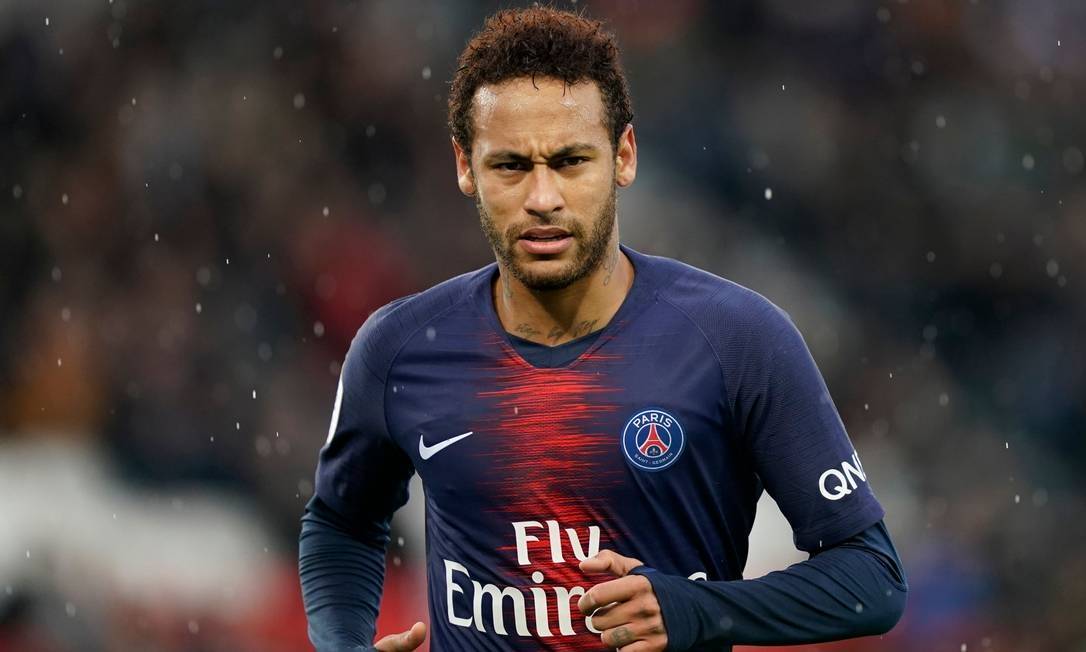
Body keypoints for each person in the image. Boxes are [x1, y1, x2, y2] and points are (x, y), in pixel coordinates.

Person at [299, 7, 907, 651]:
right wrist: (345, 645)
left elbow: (872, 576)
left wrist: (699, 610)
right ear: (465, 166)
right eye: (510, 166)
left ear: (623, 156)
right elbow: (340, 523)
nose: (542, 198)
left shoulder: (738, 339)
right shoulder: (398, 349)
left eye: (570, 161)